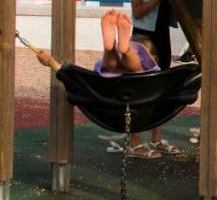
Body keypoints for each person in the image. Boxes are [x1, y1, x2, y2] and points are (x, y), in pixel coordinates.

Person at [35, 9, 164, 159]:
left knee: (112, 65)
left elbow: (76, 79)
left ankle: (111, 49)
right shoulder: (154, 77)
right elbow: (167, 98)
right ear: (154, 58)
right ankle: (127, 51)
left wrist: (51, 62)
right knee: (137, 70)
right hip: (139, 103)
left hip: (110, 103)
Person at [126, 0, 180, 156]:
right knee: (139, 87)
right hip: (144, 35)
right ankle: (135, 142)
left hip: (161, 34)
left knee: (161, 85)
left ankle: (156, 139)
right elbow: (137, 12)